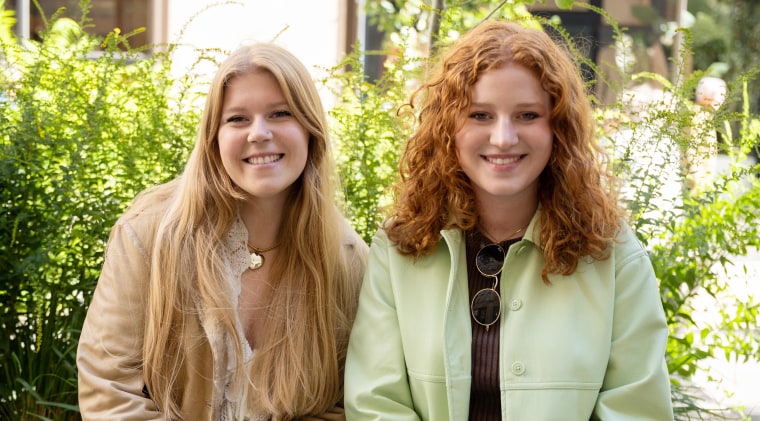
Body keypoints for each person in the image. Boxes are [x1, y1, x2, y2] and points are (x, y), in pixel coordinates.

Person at [344, 20, 674, 420]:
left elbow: (637, 408)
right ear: (449, 128)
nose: (503, 138)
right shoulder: (401, 246)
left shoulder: (613, 253)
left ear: (558, 128)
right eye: (480, 115)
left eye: (527, 115)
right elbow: (376, 404)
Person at [76, 42, 368, 420]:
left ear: (311, 130)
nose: (259, 133)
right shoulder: (146, 234)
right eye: (237, 119)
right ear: (213, 137)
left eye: (280, 113)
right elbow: (109, 389)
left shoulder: (346, 258)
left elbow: (348, 404)